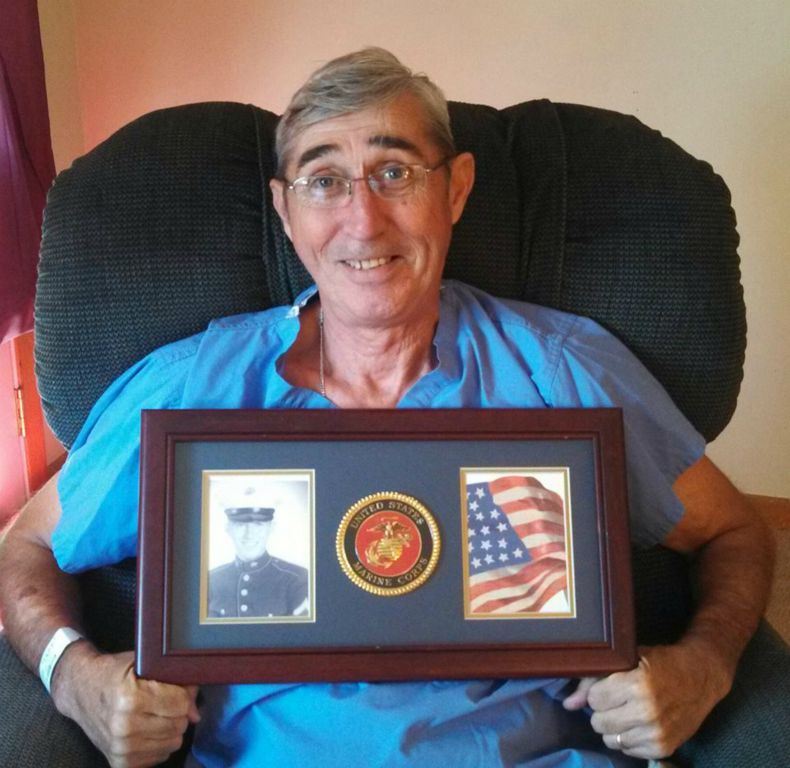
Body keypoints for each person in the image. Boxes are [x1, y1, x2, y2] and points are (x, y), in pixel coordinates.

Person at [0, 47, 774, 768]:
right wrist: (74, 674)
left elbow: (734, 529)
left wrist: (702, 663)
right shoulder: (192, 383)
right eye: (324, 179)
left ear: (457, 188)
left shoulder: (559, 369)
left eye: (395, 172)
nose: (362, 220)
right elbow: (21, 547)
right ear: (285, 209)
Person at [208, 505, 309, 619]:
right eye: (240, 525)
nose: (249, 534)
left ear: (271, 528)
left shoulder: (297, 579)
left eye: (258, 525)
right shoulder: (211, 580)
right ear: (228, 529)